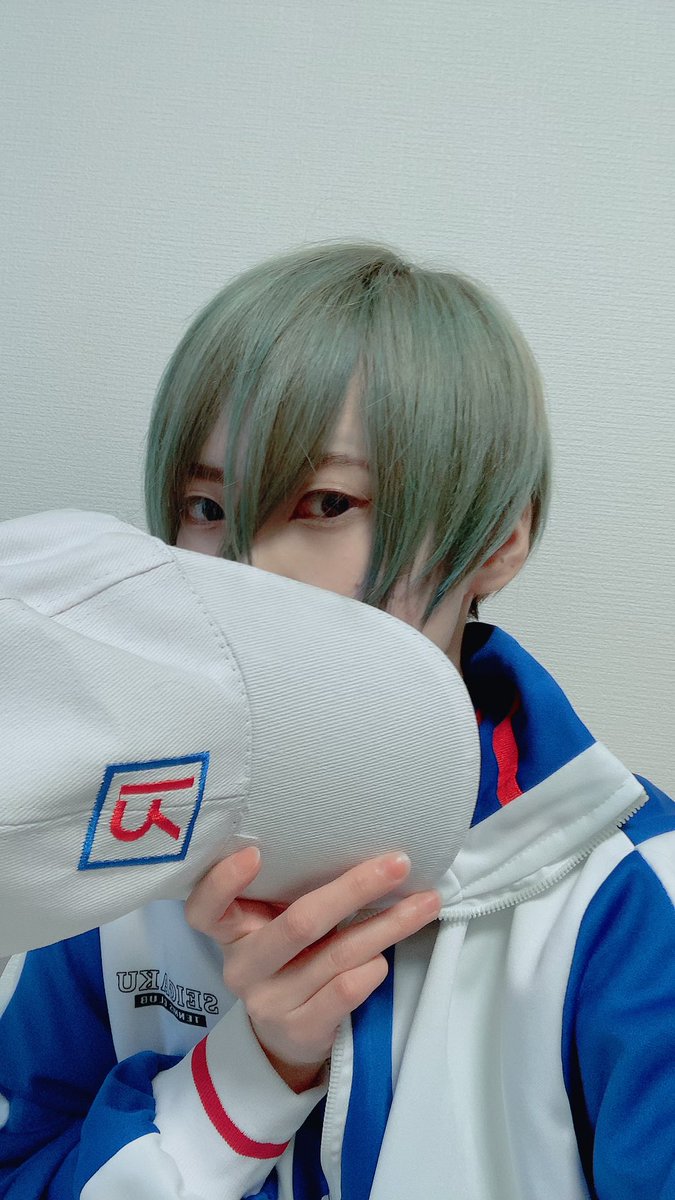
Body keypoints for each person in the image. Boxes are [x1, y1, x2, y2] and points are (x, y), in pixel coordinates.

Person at [1, 241, 673, 1199]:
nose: (245, 566)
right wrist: (250, 1078)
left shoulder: (629, 895)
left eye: (325, 502)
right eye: (205, 505)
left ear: (499, 539)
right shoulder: (114, 856)